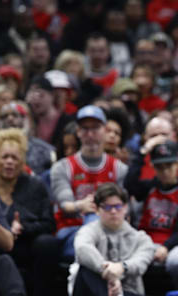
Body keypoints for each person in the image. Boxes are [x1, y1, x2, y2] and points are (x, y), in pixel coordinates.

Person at [60, 183, 163, 296]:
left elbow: (141, 262)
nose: (113, 211)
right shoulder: (88, 231)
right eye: (107, 207)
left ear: (126, 207)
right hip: (92, 294)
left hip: (125, 295)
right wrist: (108, 272)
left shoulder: (141, 238)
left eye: (118, 206)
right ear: (97, 209)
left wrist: (122, 268)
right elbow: (82, 248)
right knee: (85, 267)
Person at [0, 129, 57, 296]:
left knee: (48, 244)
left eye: (14, 158)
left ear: (22, 161)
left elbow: (49, 223)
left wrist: (23, 228)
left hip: (24, 245)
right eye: (5, 157)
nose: (9, 162)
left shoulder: (35, 186)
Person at [50, 106, 128, 260]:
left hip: (110, 230)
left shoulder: (120, 168)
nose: (90, 134)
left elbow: (125, 209)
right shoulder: (62, 167)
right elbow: (65, 204)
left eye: (95, 128)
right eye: (85, 129)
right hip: (72, 229)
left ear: (105, 130)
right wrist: (82, 206)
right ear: (78, 132)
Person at [124, 140, 178, 278]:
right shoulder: (150, 187)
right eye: (159, 167)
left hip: (175, 243)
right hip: (147, 240)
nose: (165, 171)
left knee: (176, 261)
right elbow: (129, 185)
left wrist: (166, 247)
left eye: (169, 165)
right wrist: (141, 153)